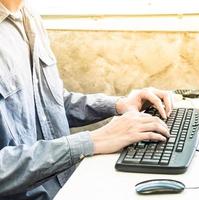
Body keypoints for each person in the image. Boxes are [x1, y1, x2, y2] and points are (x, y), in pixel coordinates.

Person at [0, 0, 172, 199]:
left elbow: (47, 105)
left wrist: (118, 105)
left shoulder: (27, 14)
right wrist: (94, 140)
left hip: (68, 183)